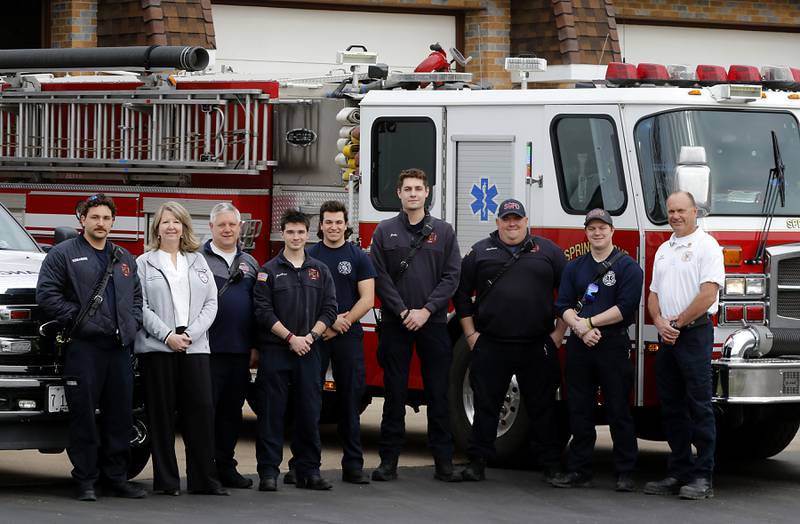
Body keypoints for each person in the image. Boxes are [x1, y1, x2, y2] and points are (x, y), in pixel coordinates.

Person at [36, 194, 147, 501]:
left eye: (106, 218)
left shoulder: (124, 258)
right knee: (83, 416)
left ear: (113, 222)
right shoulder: (62, 255)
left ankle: (116, 478)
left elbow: (136, 298)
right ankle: (86, 479)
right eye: (95, 217)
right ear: (82, 219)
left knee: (120, 416)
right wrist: (80, 322)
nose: (101, 223)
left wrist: (132, 323)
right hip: (84, 348)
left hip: (119, 350)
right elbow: (47, 295)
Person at [453, 198, 567, 482]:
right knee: (486, 406)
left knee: (543, 408)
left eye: (517, 218)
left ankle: (551, 465)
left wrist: (558, 333)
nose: (512, 223)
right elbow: (462, 296)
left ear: (526, 222)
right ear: (498, 223)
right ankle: (476, 463)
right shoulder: (480, 252)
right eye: (506, 219)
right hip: (492, 344)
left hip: (536, 343)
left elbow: (568, 293)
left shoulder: (548, 251)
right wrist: (470, 335)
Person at [370, 168, 462, 482]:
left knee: (439, 393)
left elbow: (452, 277)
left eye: (418, 189)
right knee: (394, 393)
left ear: (427, 193)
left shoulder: (445, 232)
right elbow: (379, 277)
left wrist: (425, 311)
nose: (412, 193)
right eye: (407, 188)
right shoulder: (384, 231)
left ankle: (444, 461)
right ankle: (388, 462)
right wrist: (402, 311)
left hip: (433, 324)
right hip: (397, 325)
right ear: (399, 193)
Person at [135, 201, 227, 496]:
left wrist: (191, 333)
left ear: (184, 226)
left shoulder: (198, 261)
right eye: (165, 222)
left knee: (200, 413)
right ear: (157, 228)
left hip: (195, 348)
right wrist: (167, 336)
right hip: (158, 349)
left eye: (176, 221)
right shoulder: (144, 262)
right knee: (161, 417)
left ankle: (203, 480)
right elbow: (141, 307)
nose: (171, 226)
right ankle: (167, 482)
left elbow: (212, 301)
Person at [550, 208, 642, 491]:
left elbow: (625, 308)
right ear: (586, 232)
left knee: (618, 409)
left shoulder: (628, 267)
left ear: (612, 231)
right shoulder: (575, 267)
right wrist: (578, 328)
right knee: (579, 409)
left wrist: (588, 323)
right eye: (592, 228)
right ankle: (579, 470)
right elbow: (562, 305)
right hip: (580, 345)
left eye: (603, 227)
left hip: (612, 344)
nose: (597, 232)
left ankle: (625, 472)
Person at [643, 191, 724, 500]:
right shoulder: (664, 249)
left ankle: (703, 476)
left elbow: (708, 295)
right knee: (672, 406)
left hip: (694, 335)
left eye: (681, 210)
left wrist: (677, 324)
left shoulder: (708, 246)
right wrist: (660, 322)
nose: (675, 216)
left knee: (699, 405)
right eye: (671, 211)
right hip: (668, 337)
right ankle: (679, 471)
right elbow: (653, 295)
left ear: (694, 212)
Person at [253, 209, 337, 492]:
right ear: (283, 234)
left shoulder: (320, 270)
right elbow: (262, 312)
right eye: (290, 232)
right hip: (277, 351)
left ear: (308, 234)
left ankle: (308, 470)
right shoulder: (268, 271)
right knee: (271, 413)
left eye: (301, 232)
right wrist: (290, 337)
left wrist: (310, 337)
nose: (296, 237)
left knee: (309, 412)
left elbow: (330, 309)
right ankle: (268, 472)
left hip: (309, 351)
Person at [308, 200, 376, 484]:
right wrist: (328, 322)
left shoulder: (358, 256)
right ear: (320, 225)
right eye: (328, 222)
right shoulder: (310, 255)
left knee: (350, 399)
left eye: (338, 222)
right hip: (318, 336)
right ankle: (307, 464)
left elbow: (368, 299)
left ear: (346, 225)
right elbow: (305, 297)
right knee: (309, 400)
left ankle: (353, 465)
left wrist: (340, 323)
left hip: (348, 336)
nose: (333, 227)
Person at [201, 203, 260, 489]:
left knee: (231, 413)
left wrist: (256, 346)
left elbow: (259, 307)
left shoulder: (251, 264)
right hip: (206, 351)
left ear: (240, 228)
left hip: (239, 352)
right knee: (205, 412)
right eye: (221, 224)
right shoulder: (197, 260)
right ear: (211, 227)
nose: (227, 229)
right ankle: (205, 469)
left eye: (232, 225)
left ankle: (226, 467)